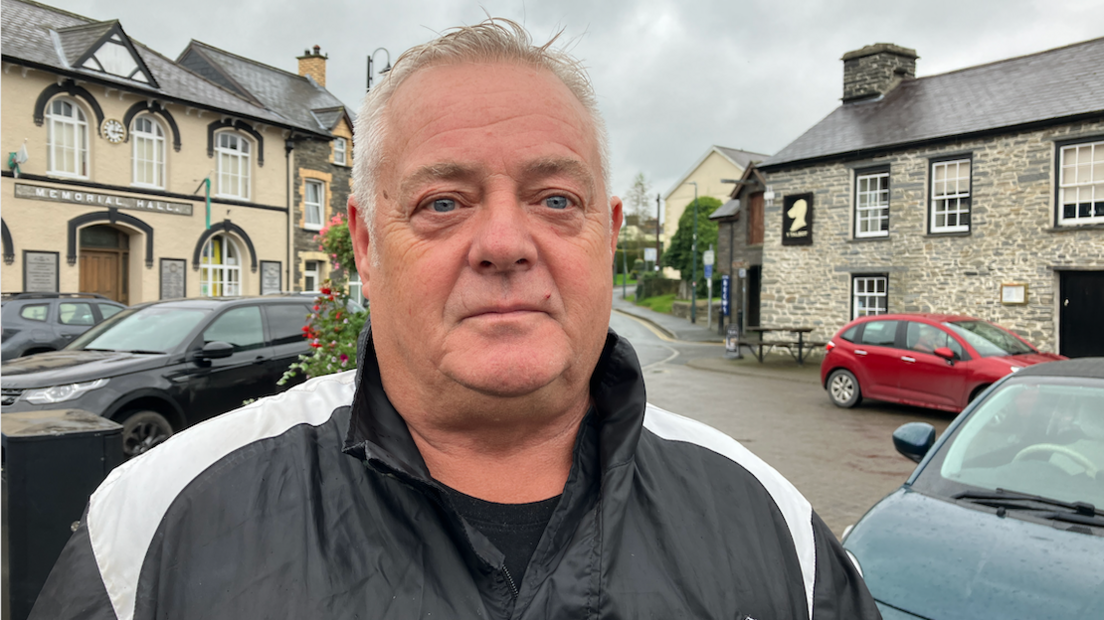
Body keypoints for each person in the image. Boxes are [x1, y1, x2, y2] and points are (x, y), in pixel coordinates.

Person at [32, 20, 880, 620]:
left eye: (555, 199)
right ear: (364, 243)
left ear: (609, 236)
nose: (506, 241)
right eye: (443, 202)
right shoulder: (152, 529)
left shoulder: (771, 524)